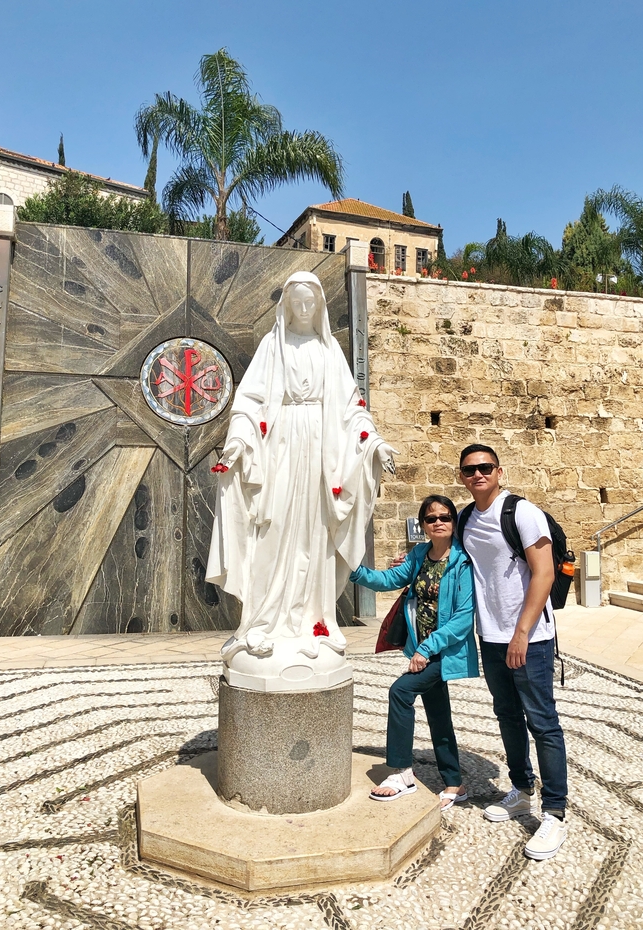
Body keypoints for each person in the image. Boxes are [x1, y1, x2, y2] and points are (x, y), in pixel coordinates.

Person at [206, 271, 395, 678]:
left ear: (320, 305)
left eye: (311, 303)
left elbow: (351, 409)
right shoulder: (272, 345)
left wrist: (374, 444)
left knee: (314, 532)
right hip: (279, 450)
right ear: (287, 305)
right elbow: (249, 403)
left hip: (321, 452)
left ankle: (313, 617)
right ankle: (262, 619)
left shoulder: (329, 350)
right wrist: (237, 443)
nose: (305, 309)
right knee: (271, 529)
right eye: (298, 302)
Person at [457, 444, 568, 860]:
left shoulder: (522, 512)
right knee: (507, 715)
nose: (478, 474)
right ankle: (521, 789)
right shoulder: (466, 518)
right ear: (462, 477)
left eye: (485, 467)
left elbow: (544, 572)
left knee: (542, 722)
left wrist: (521, 632)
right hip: (491, 635)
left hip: (530, 638)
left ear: (499, 472)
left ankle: (554, 812)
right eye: (470, 469)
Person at [350, 495, 478, 811]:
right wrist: (353, 571)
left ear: (454, 522)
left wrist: (425, 649)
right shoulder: (419, 555)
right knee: (438, 714)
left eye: (445, 517)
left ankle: (401, 772)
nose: (438, 523)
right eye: (431, 518)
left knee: (401, 692)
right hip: (423, 649)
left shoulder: (462, 561)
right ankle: (454, 783)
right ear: (423, 525)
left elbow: (463, 618)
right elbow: (389, 579)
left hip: (443, 652)